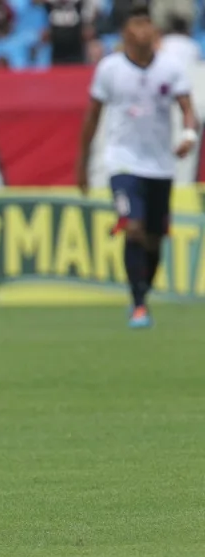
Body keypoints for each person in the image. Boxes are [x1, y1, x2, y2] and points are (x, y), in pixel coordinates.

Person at [76, 2, 198, 328]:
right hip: (122, 162)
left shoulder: (170, 68)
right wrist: (82, 163)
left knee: (155, 238)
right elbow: (93, 116)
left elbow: (188, 108)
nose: (144, 34)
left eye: (149, 28)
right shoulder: (110, 69)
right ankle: (139, 304)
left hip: (160, 165)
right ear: (126, 36)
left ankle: (143, 292)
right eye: (137, 28)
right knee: (132, 227)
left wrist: (188, 134)